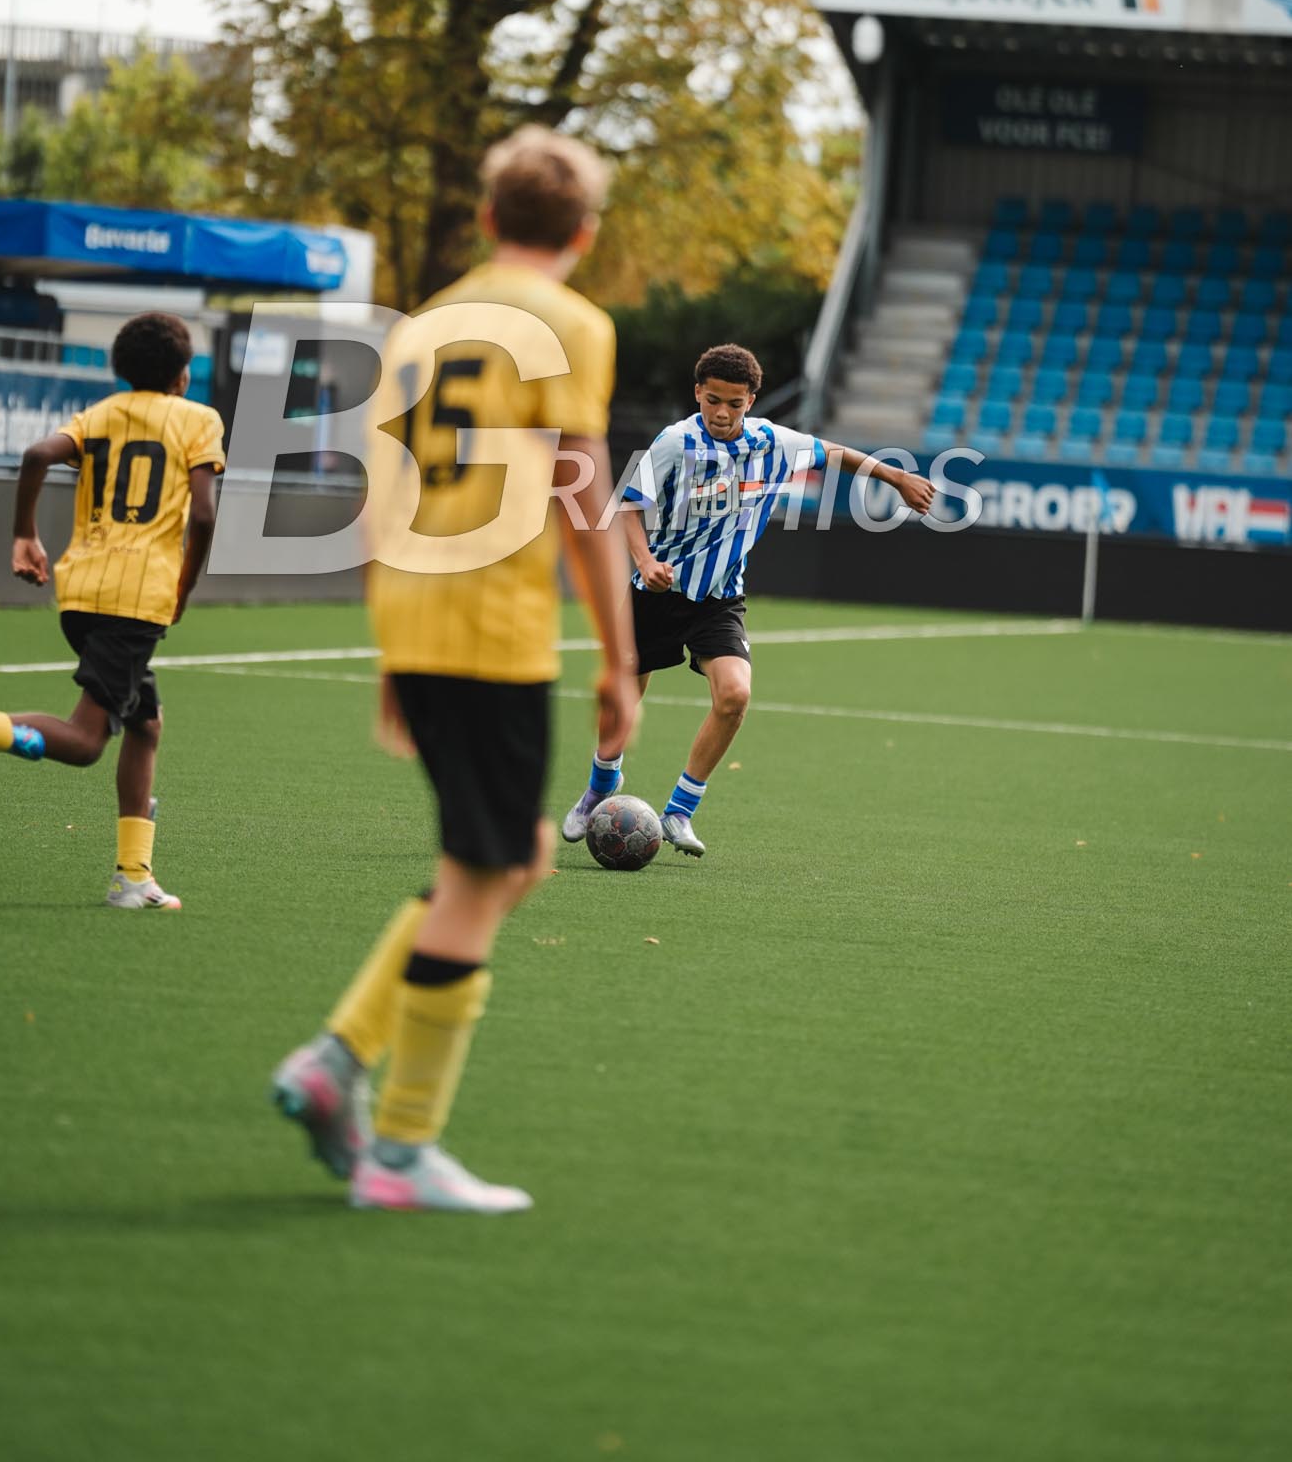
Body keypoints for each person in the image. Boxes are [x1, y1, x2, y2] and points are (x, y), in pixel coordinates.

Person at [272, 126, 638, 1217]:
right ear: (583, 232)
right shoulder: (575, 323)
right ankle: (399, 1141)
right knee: (487, 871)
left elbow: (381, 491)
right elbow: (585, 500)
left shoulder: (424, 322)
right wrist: (620, 658)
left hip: (421, 613)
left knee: (515, 850)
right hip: (494, 628)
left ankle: (340, 1057)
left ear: (485, 220)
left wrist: (391, 642)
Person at [560, 342, 935, 858]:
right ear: (697, 393)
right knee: (622, 699)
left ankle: (679, 812)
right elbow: (628, 509)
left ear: (751, 401)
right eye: (712, 399)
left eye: (734, 403)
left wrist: (895, 477)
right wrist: (646, 563)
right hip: (656, 592)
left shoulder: (772, 441)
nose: (721, 412)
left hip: (720, 597)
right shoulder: (674, 442)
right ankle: (599, 788)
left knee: (734, 696)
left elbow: (835, 453)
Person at [0, 312, 224, 910]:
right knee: (88, 741)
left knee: (145, 724)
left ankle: (133, 877)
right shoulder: (199, 420)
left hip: (82, 592)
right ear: (182, 374)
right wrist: (185, 589)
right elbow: (203, 515)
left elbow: (37, 454)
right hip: (137, 599)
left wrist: (23, 535)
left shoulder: (101, 415)